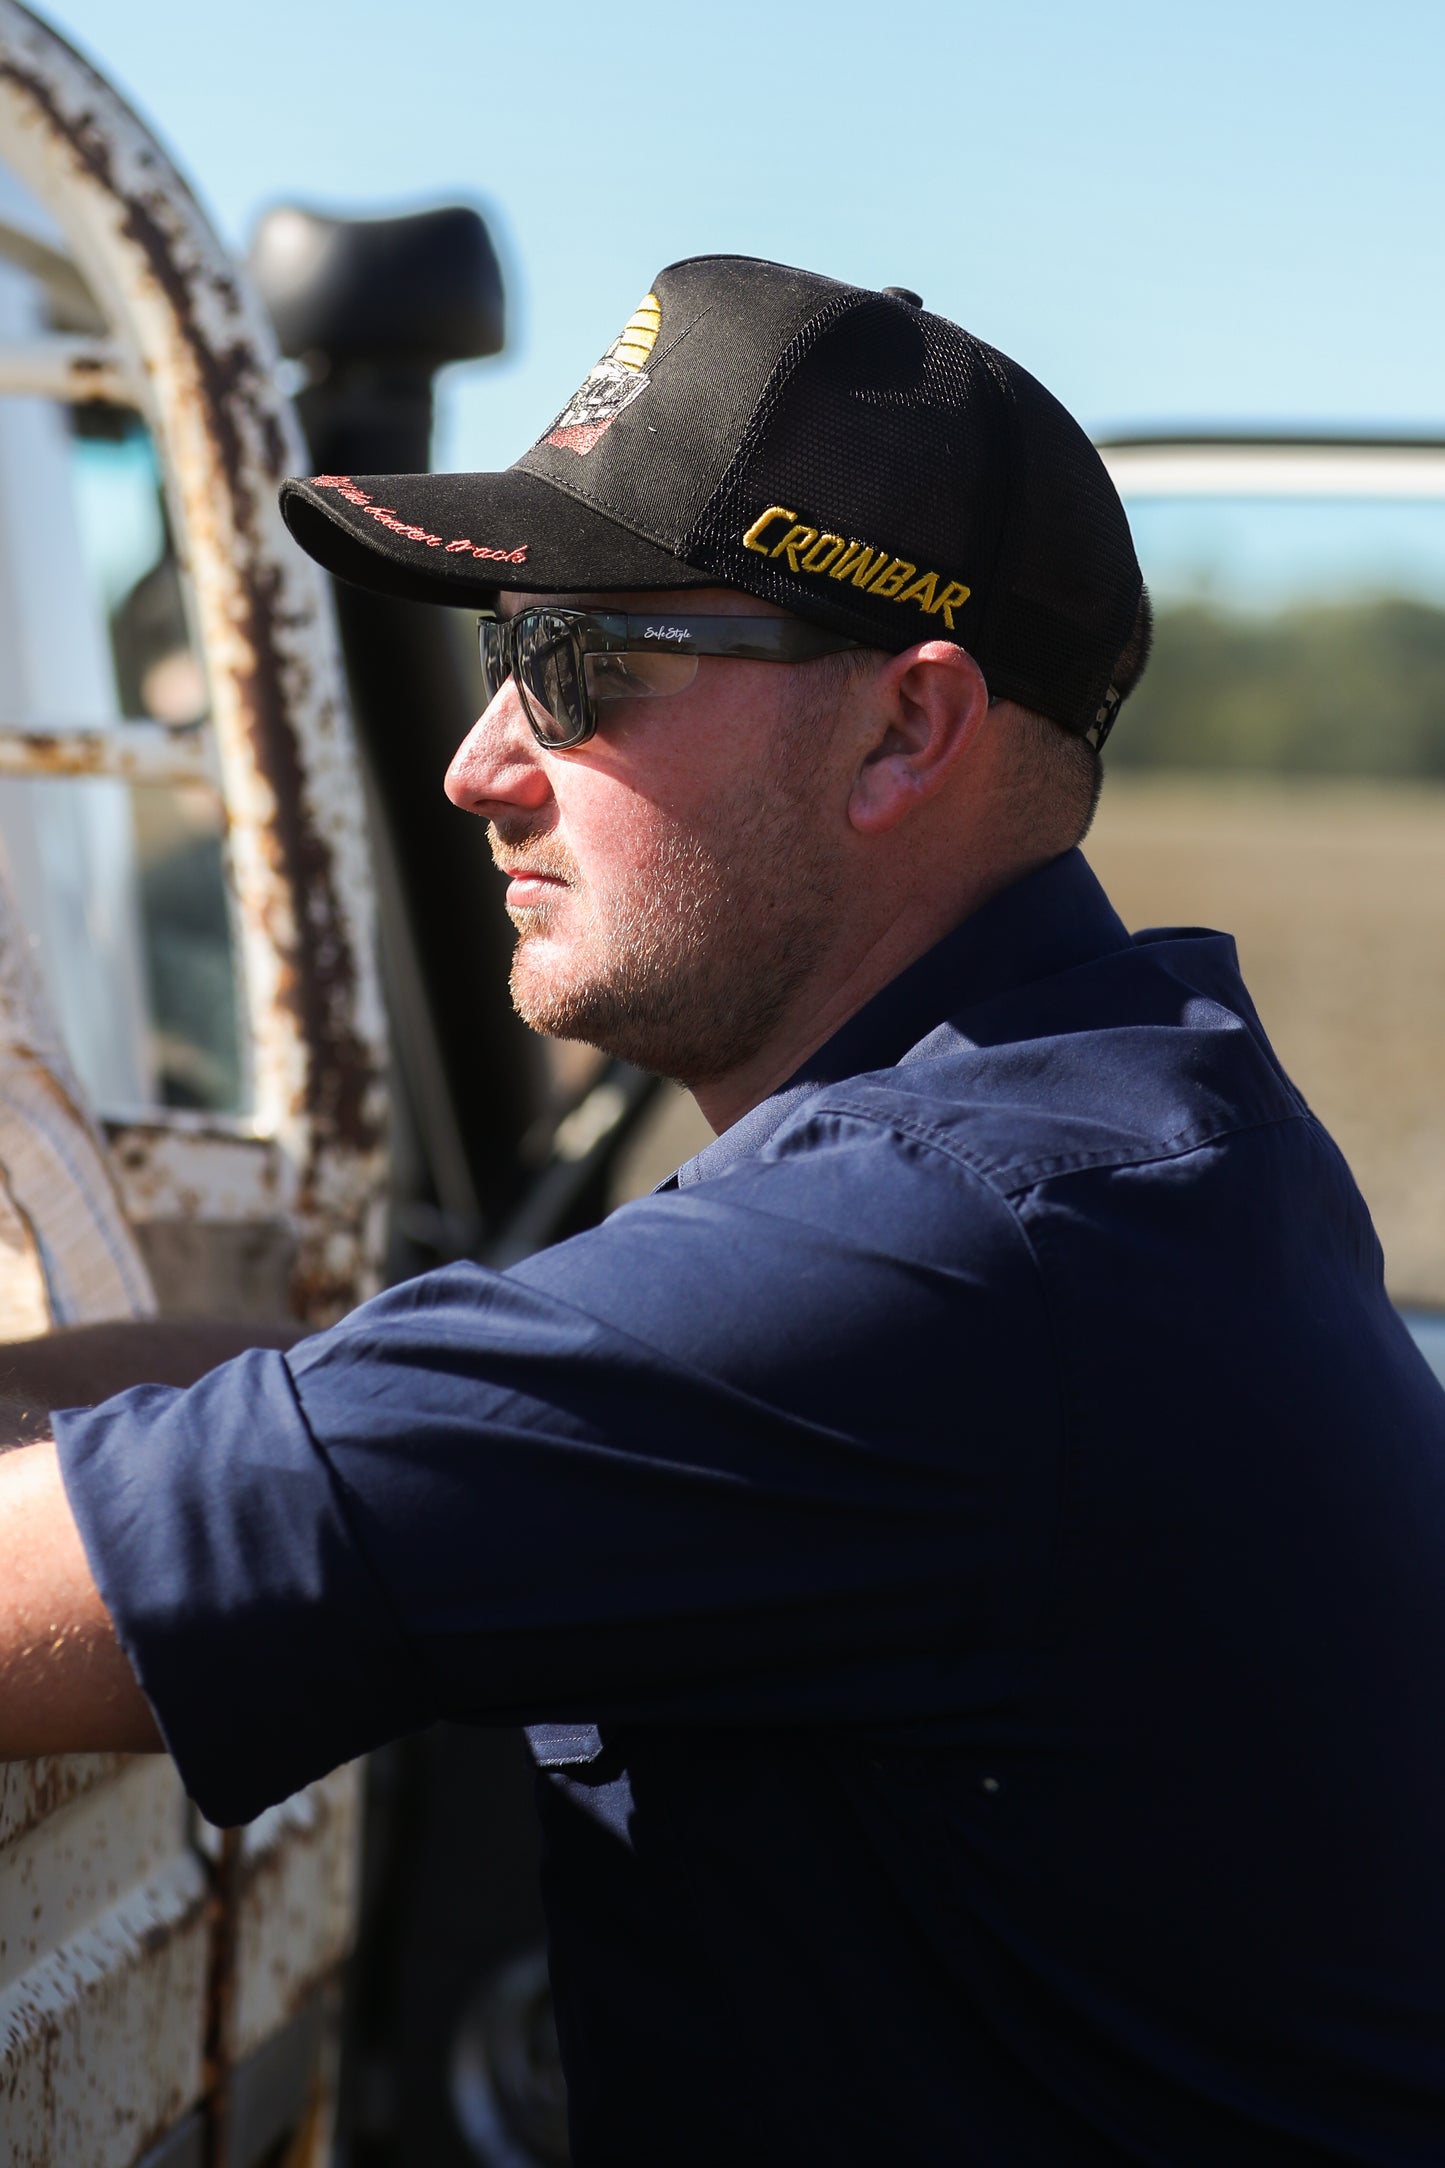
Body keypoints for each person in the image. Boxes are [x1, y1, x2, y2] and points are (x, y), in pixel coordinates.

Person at [2, 256, 1444, 2166]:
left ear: (904, 731)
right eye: (501, 652)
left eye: (580, 664)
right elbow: (401, 1398)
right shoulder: (1102, 1129)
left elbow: (63, 1587)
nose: (477, 764)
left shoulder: (944, 1249)